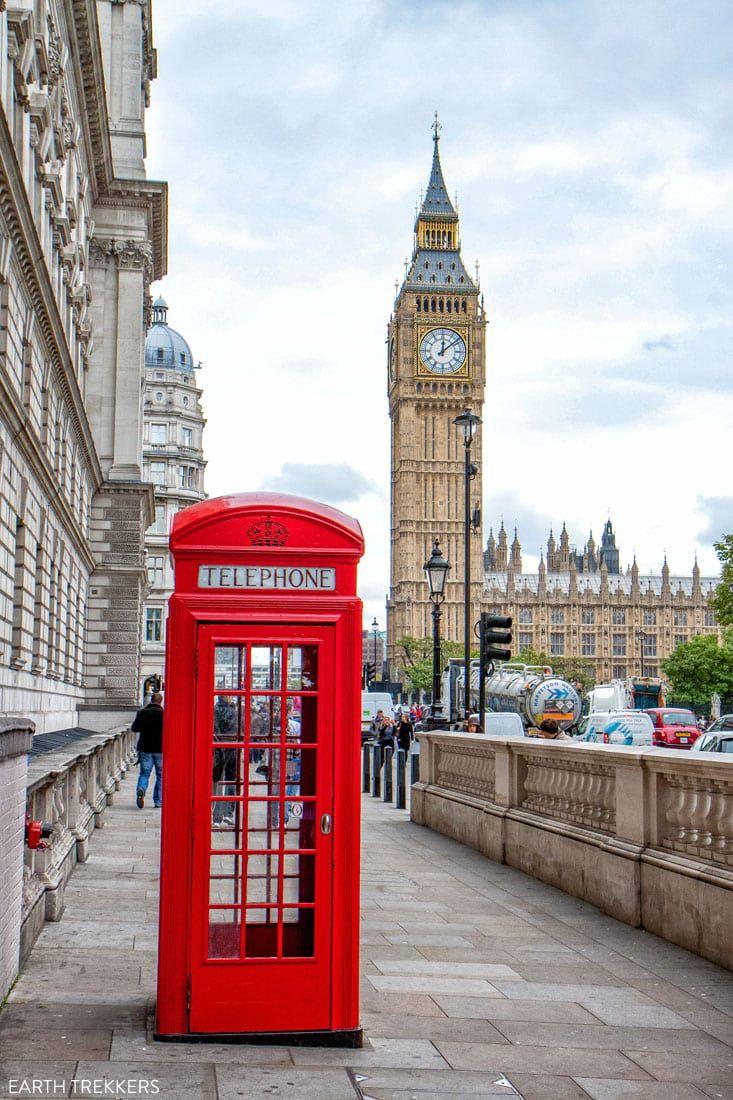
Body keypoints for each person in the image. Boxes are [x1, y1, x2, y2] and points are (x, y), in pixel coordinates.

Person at [132, 691, 164, 809]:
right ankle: (158, 801)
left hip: (145, 749)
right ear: (160, 702)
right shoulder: (164, 714)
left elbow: (134, 728)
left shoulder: (142, 713)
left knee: (144, 774)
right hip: (161, 750)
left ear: (151, 700)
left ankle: (141, 789)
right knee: (160, 776)